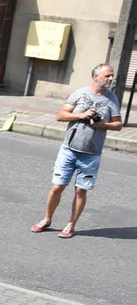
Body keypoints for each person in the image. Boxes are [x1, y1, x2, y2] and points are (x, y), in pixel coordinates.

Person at [31, 64, 122, 239]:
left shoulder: (112, 99)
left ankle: (71, 225)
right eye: (107, 76)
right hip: (69, 150)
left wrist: (103, 125)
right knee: (58, 187)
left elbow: (118, 124)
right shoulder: (80, 93)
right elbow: (61, 115)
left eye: (112, 76)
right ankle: (47, 219)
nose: (111, 79)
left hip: (91, 154)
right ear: (96, 77)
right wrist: (81, 115)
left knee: (81, 191)